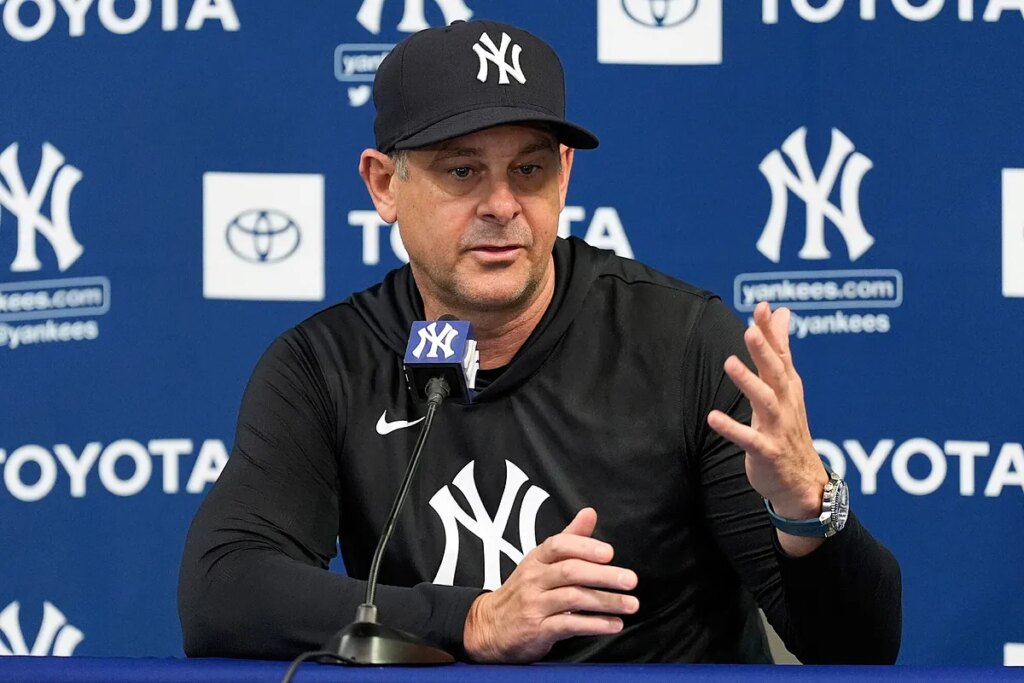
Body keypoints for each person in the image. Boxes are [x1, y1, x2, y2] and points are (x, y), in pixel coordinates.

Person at [178, 19, 901, 664]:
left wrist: (807, 508)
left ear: (564, 176)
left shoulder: (681, 341)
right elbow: (221, 590)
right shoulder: (326, 364)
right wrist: (472, 620)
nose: (501, 204)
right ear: (383, 185)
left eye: (529, 170)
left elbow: (860, 649)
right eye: (462, 170)